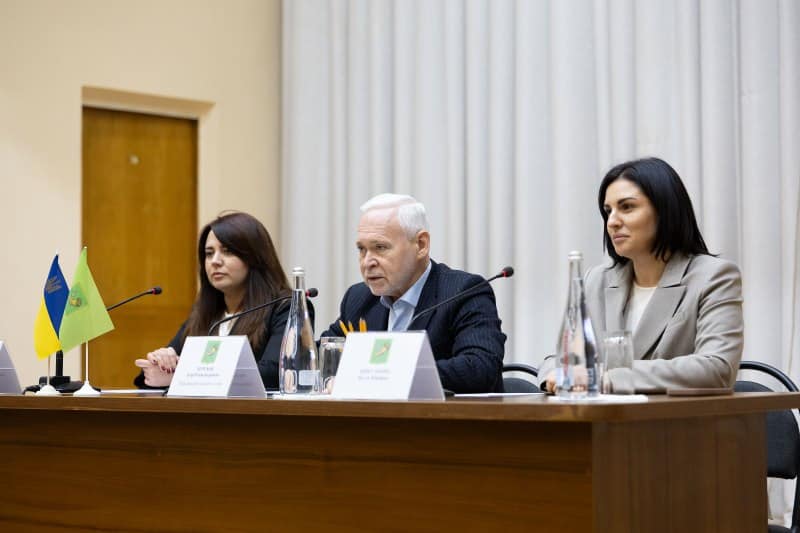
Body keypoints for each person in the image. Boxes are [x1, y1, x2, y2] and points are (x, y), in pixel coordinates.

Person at [540, 157, 743, 394]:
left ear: (665, 211)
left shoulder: (714, 277)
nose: (612, 222)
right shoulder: (596, 280)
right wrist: (555, 375)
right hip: (603, 416)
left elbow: (717, 368)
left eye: (627, 207)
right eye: (608, 211)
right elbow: (557, 360)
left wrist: (606, 378)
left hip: (674, 417)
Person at [320, 193, 506, 393]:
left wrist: (387, 375)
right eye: (362, 249)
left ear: (421, 245)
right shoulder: (359, 298)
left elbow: (480, 368)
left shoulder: (463, 292)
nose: (367, 262)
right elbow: (324, 355)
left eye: (380, 247)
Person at [134, 211, 313, 389]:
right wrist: (162, 362)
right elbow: (149, 379)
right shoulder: (205, 313)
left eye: (227, 251)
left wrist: (183, 376)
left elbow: (276, 373)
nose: (215, 261)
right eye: (209, 253)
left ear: (255, 257)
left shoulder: (287, 307)